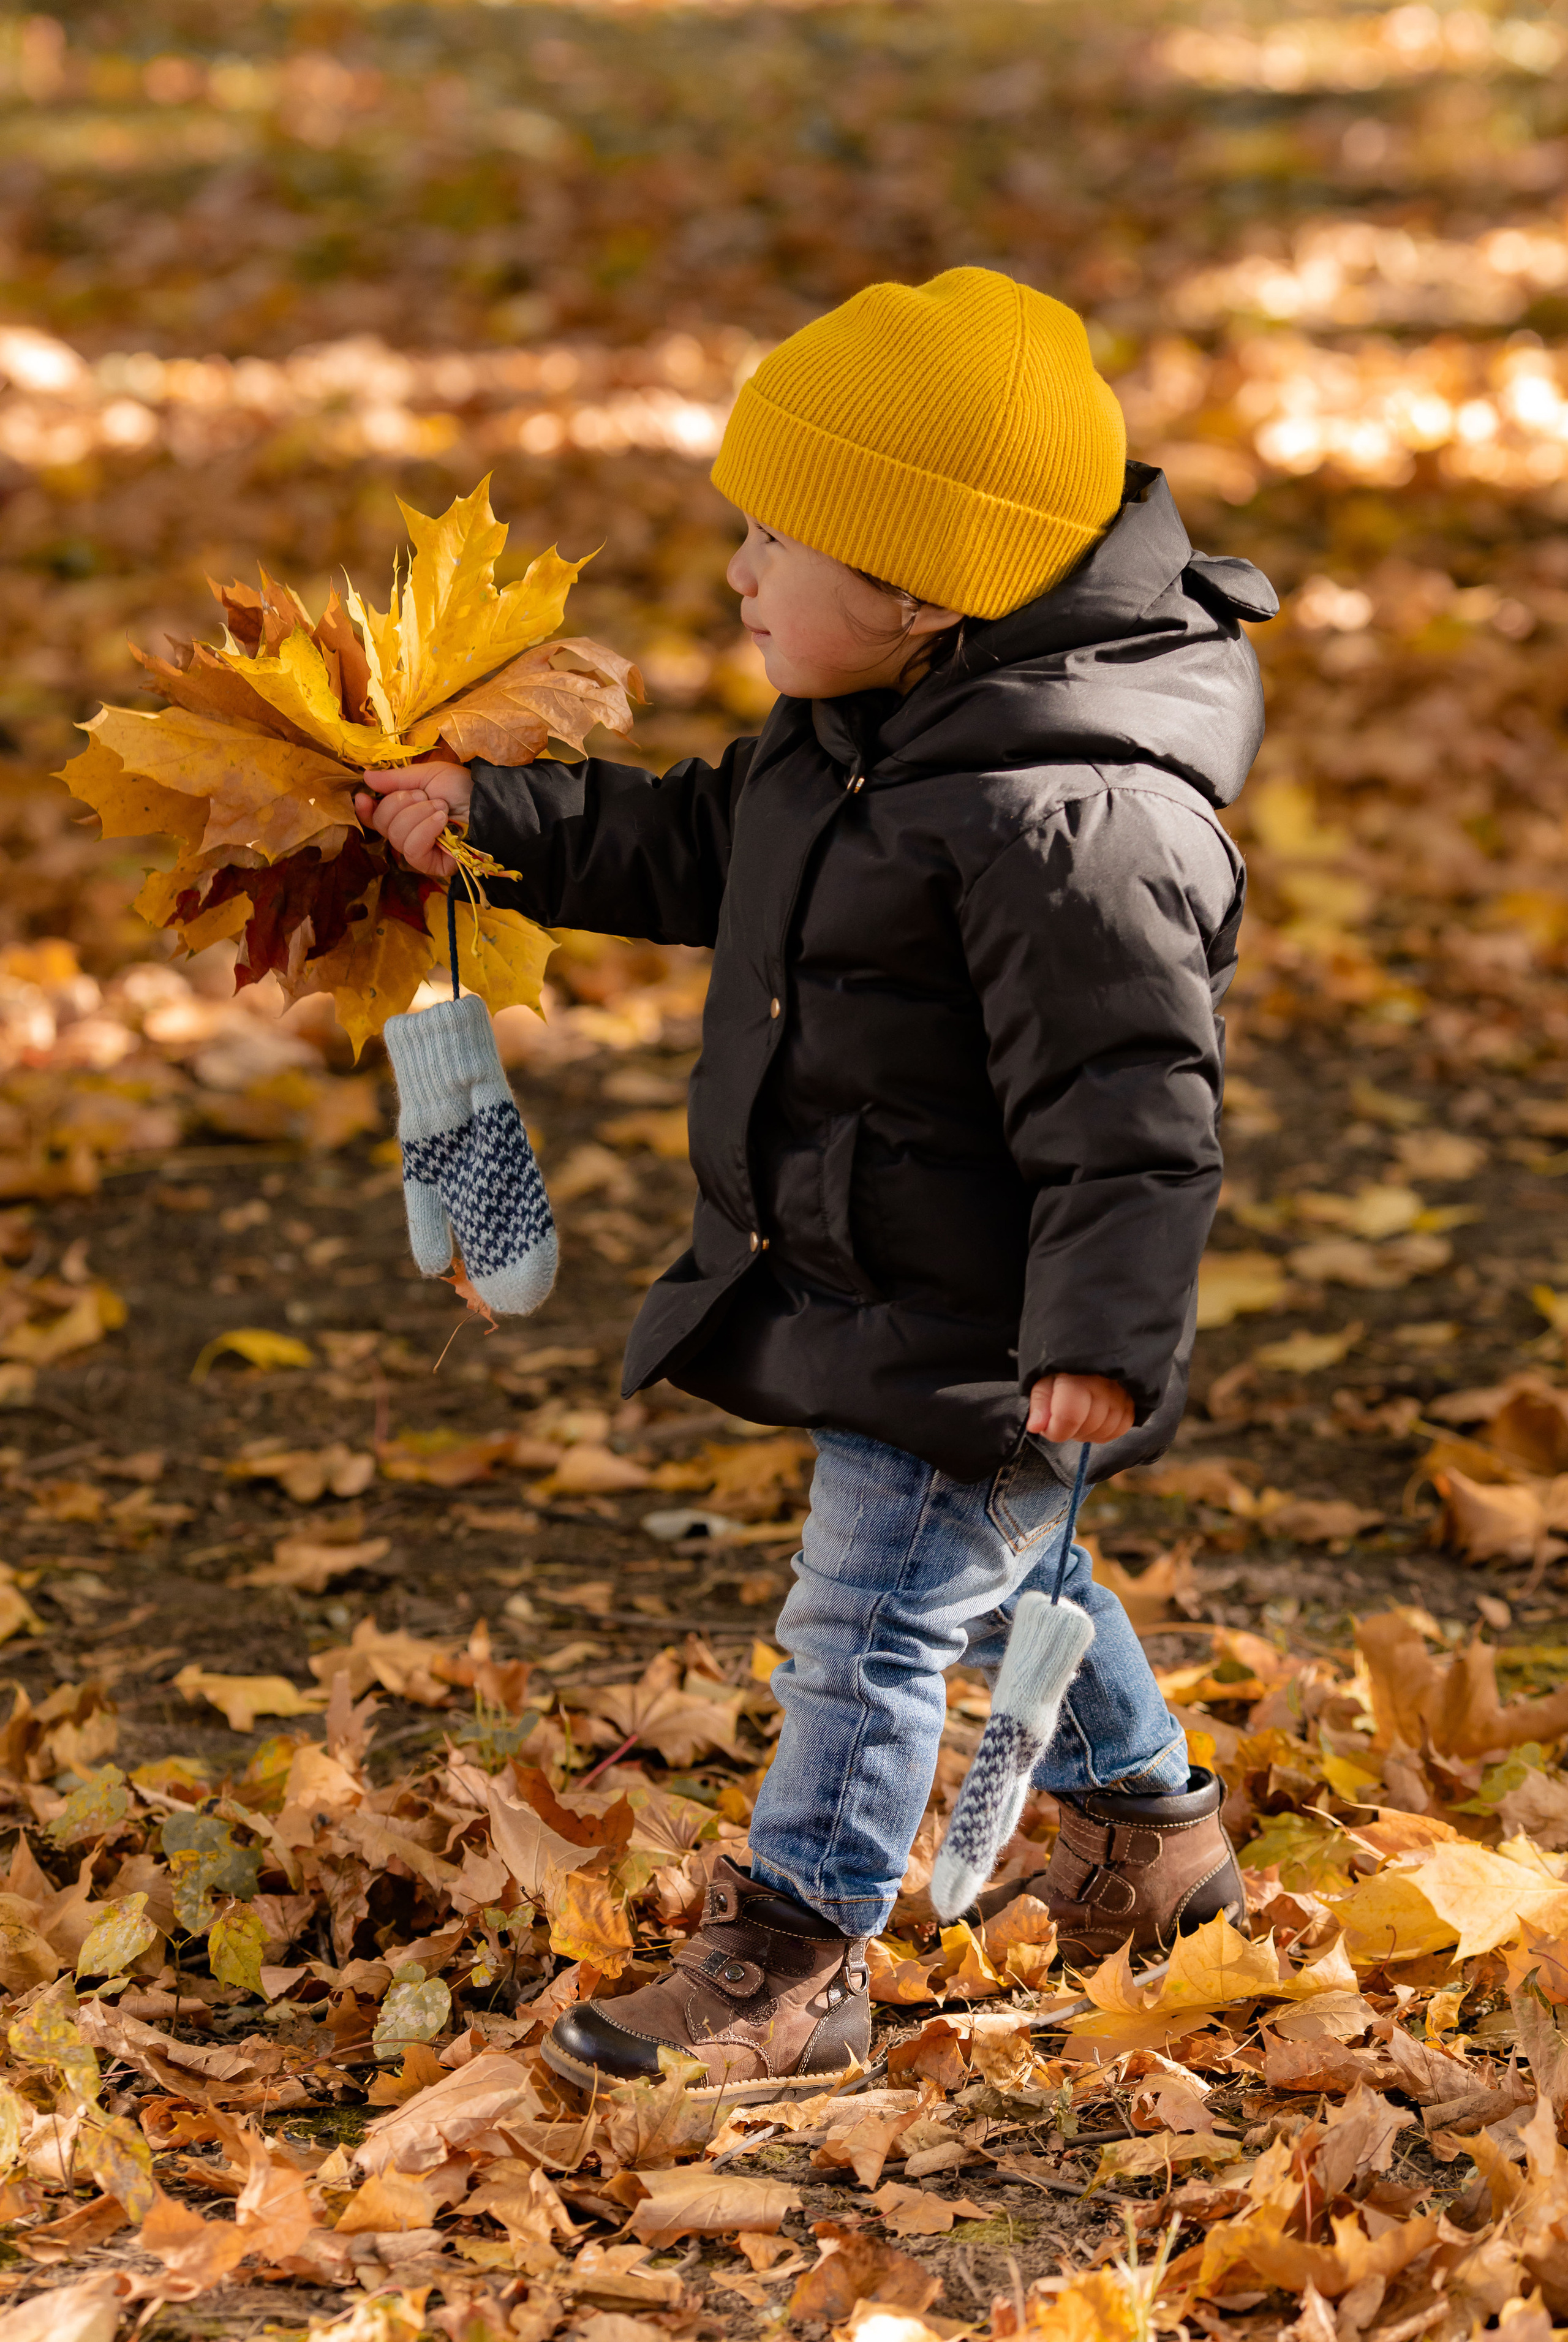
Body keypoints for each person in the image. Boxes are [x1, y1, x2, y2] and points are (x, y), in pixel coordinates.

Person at [356, 266, 1275, 2102]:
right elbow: (707, 840)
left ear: (922, 587)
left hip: (981, 1320)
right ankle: (1149, 1836)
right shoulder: (868, 740)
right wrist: (505, 819)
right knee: (1014, 1570)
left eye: (776, 539)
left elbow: (1133, 1114)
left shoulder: (1067, 825)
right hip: (890, 1275)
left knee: (864, 1622)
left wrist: (1096, 1343)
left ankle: (796, 1955)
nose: (739, 574)